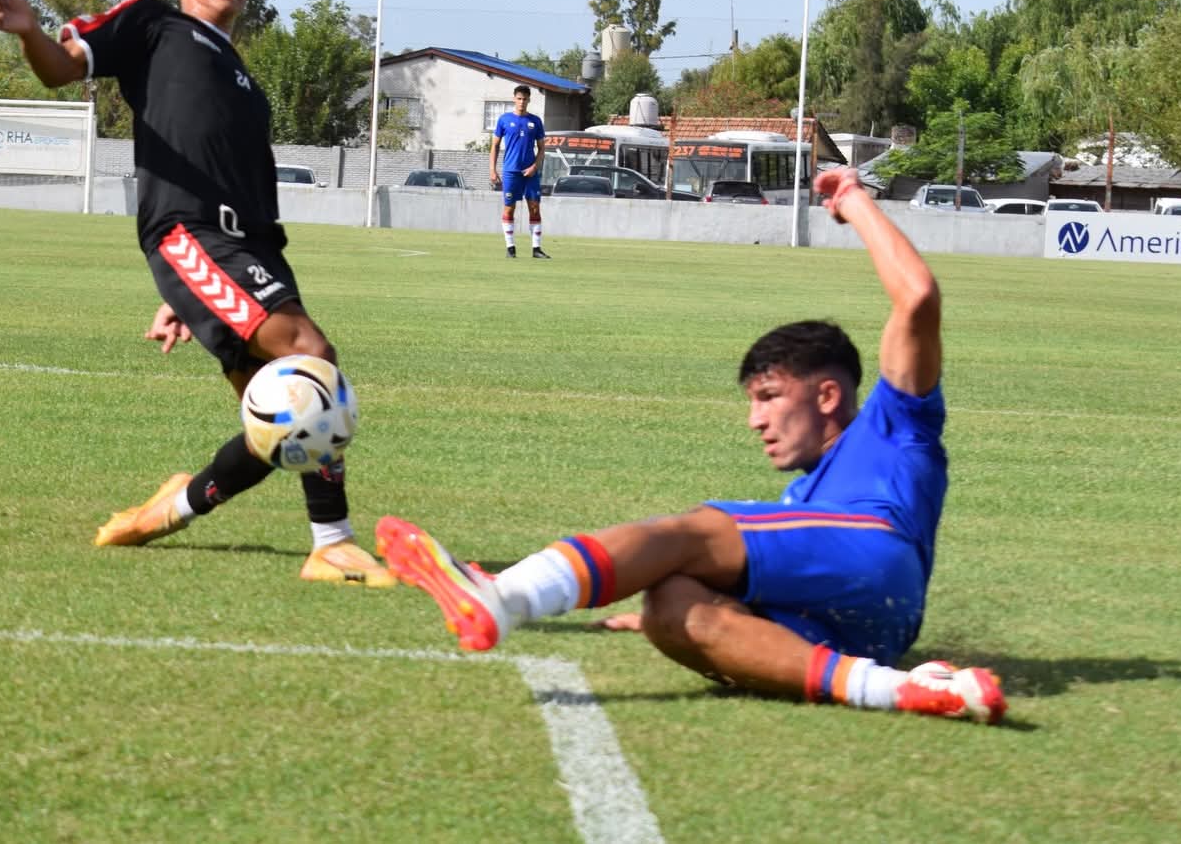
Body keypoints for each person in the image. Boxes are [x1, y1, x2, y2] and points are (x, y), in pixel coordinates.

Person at [376, 166, 1007, 722]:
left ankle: (505, 596)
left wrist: (852, 198)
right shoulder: (802, 499)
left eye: (768, 397)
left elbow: (917, 297)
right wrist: (640, 601)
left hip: (877, 555)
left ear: (826, 396)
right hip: (876, 633)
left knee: (697, 530)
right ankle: (896, 690)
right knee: (671, 607)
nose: (755, 420)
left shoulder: (894, 424)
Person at [0, 0, 392, 588]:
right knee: (311, 360)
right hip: (190, 235)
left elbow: (244, 187)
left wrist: (185, 296)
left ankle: (168, 508)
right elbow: (62, 69)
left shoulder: (247, 86)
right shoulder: (154, 24)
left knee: (279, 426)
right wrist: (28, 30)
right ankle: (332, 544)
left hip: (239, 251)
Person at [489, 84, 550, 259]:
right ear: (514, 99)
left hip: (530, 173)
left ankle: (536, 249)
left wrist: (534, 167)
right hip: (511, 171)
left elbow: (542, 149)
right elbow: (494, 146)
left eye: (525, 99)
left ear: (529, 100)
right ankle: (510, 248)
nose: (522, 102)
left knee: (534, 207)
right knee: (509, 208)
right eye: (519, 98)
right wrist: (492, 170)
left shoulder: (535, 121)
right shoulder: (504, 120)